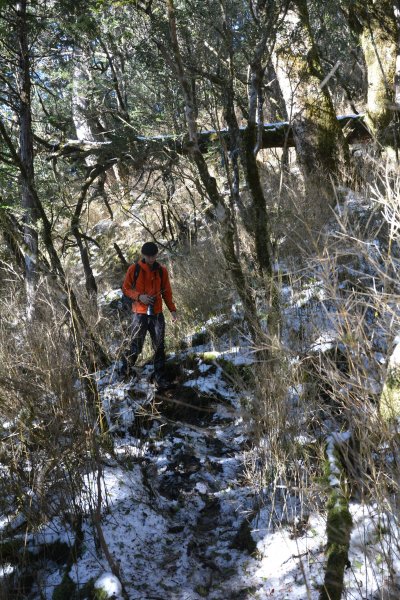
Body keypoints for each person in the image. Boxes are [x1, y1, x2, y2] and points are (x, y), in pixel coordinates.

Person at [121, 241, 177, 389]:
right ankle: (124, 373)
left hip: (157, 313)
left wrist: (172, 310)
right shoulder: (134, 269)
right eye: (148, 256)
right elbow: (125, 288)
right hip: (139, 314)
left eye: (153, 256)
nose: (151, 259)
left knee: (159, 346)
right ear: (143, 255)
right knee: (136, 346)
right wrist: (140, 297)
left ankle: (160, 378)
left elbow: (167, 291)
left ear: (156, 255)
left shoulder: (162, 271)